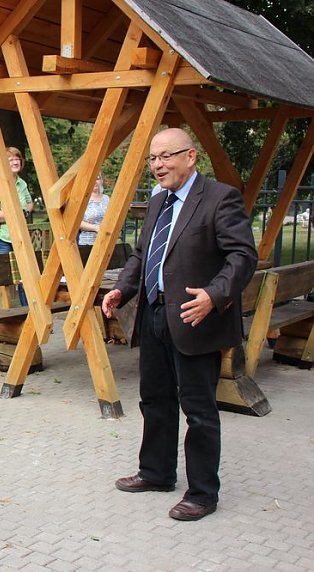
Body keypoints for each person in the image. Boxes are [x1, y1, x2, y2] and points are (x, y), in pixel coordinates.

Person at [101, 128, 257, 521]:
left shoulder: (220, 198)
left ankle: (203, 493)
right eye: (153, 159)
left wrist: (214, 295)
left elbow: (242, 256)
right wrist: (123, 289)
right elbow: (142, 253)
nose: (158, 165)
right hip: (153, 315)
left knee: (199, 410)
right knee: (155, 399)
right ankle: (156, 473)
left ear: (191, 157)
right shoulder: (157, 201)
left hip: (195, 318)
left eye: (166, 156)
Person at [0, 146, 34, 311]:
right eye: (10, 159)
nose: (15, 162)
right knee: (0, 281)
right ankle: (0, 321)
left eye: (17, 158)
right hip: (0, 239)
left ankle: (30, 316)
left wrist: (23, 211)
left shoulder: (21, 183)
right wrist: (15, 214)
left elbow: (29, 203)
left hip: (19, 237)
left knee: (26, 278)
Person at [78, 174, 110, 246]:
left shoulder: (107, 198)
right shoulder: (82, 200)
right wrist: (96, 228)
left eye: (97, 179)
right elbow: (76, 222)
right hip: (87, 243)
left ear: (101, 181)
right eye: (92, 179)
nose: (95, 181)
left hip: (106, 242)